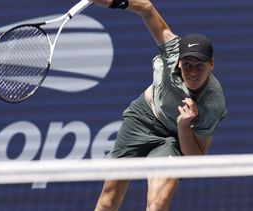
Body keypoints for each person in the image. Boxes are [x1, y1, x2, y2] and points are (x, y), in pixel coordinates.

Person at [91, 0, 227, 210]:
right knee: (108, 200)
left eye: (200, 66)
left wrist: (183, 127)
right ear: (179, 61)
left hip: (174, 136)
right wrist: (114, 2)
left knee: (157, 205)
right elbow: (145, 7)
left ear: (211, 65)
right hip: (142, 119)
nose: (192, 71)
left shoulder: (213, 103)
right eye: (187, 65)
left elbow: (196, 162)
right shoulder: (172, 50)